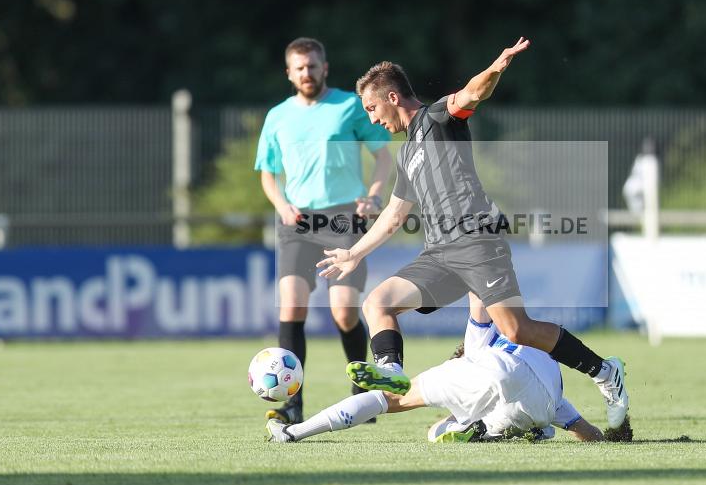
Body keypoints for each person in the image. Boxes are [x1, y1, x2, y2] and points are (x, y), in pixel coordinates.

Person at [316, 37, 629, 429]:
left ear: (392, 96)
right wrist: (355, 253)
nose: (372, 119)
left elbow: (470, 94)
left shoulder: (436, 119)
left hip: (477, 242)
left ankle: (605, 372)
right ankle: (391, 369)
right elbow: (394, 215)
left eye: (372, 108)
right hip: (440, 255)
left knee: (518, 329)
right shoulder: (407, 153)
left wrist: (497, 67)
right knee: (376, 303)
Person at [255, 37, 392, 422]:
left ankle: (362, 392)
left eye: (313, 66)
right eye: (299, 68)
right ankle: (293, 405)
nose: (307, 73)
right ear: (289, 73)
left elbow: (382, 156)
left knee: (344, 313)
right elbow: (268, 174)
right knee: (292, 305)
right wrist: (282, 206)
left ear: (324, 67)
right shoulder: (278, 116)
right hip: (297, 221)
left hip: (345, 218)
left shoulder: (349, 106)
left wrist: (375, 196)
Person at [266, 296, 604, 443]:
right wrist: (610, 436)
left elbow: (478, 300)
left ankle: (295, 433)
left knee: (390, 401)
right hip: (543, 400)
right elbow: (587, 431)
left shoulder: (480, 341)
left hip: (492, 370)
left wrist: (478, 252)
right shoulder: (532, 343)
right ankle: (508, 429)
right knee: (518, 416)